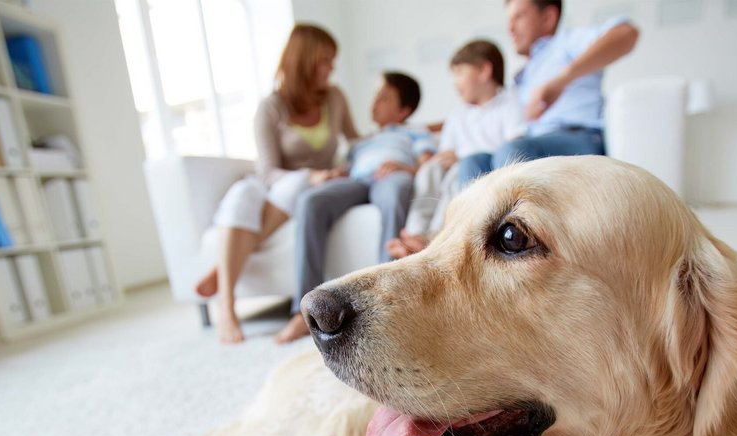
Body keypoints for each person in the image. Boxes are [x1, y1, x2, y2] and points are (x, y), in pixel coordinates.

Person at [194, 24, 358, 344]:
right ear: (305, 61)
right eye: (325, 60)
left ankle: (222, 269)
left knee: (299, 187)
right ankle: (226, 308)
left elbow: (355, 140)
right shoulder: (271, 107)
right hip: (277, 183)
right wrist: (310, 174)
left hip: (311, 187)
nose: (331, 68)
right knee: (242, 193)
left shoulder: (334, 97)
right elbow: (267, 171)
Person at [274, 72, 435, 343]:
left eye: (385, 98)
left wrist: (405, 168)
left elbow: (429, 162)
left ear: (404, 110)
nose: (375, 102)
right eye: (376, 96)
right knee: (311, 201)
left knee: (397, 191)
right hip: (356, 180)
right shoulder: (361, 143)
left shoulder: (415, 132)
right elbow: (347, 167)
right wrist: (338, 173)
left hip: (391, 176)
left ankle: (385, 300)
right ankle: (302, 311)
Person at [457, 0, 639, 185]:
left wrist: (561, 81)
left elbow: (626, 32)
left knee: (512, 152)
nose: (510, 28)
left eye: (519, 17)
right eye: (509, 20)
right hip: (530, 144)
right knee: (472, 163)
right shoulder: (522, 76)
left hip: (578, 138)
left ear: (548, 18)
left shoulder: (565, 43)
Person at [386, 39, 526, 259]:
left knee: (455, 175)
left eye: (459, 73)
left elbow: (513, 148)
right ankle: (414, 233)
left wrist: (458, 159)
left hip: (479, 171)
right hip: (454, 166)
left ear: (484, 71)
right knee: (431, 170)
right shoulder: (458, 115)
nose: (455, 83)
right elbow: (446, 151)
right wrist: (443, 158)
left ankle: (436, 236)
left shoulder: (509, 104)